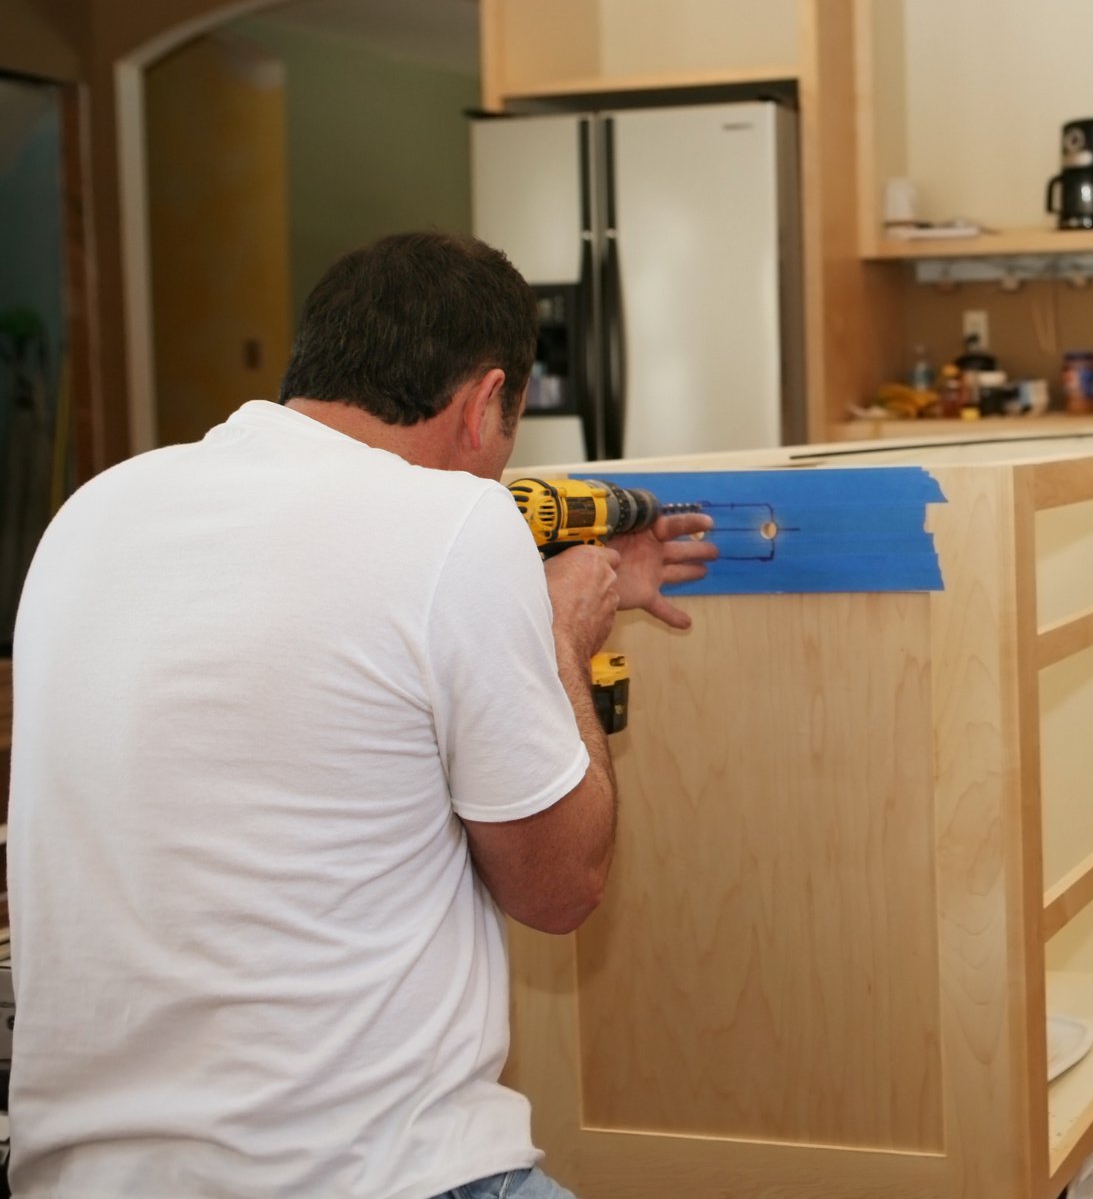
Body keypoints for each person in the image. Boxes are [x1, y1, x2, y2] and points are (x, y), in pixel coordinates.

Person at [7, 233, 717, 1198]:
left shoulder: (96, 510)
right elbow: (561, 889)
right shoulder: (455, 529)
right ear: (483, 404)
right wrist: (557, 640)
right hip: (367, 1173)